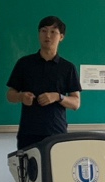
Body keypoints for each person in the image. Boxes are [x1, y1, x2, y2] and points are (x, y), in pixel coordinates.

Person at [5, 16, 81, 151]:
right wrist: (21, 97)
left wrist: (58, 97)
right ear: (39, 34)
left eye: (53, 32)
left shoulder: (68, 68)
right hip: (29, 133)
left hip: (56, 133)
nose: (48, 36)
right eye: (43, 31)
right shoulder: (24, 64)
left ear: (61, 37)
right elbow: (10, 95)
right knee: (29, 171)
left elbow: (76, 103)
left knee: (55, 171)